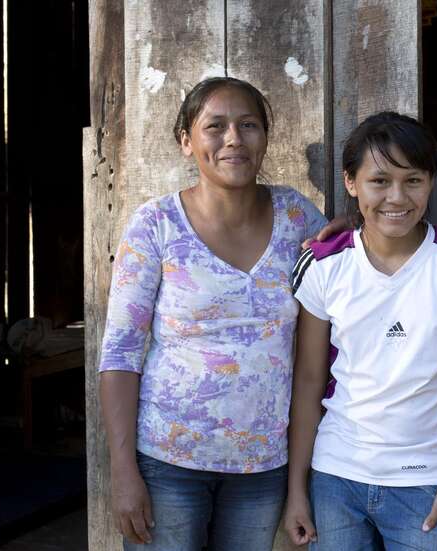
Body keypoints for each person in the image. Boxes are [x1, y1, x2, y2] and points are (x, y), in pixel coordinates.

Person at [98, 77, 328, 551]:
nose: (233, 140)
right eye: (215, 126)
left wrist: (354, 233)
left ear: (265, 137)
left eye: (248, 125)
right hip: (167, 464)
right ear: (187, 141)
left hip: (262, 466)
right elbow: (120, 354)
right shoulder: (155, 225)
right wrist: (123, 472)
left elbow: (347, 268)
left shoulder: (297, 217)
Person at [284, 112, 437, 551]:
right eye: (379, 181)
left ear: (432, 181)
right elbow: (307, 382)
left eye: (413, 180)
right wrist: (297, 490)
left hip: (428, 481)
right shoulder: (326, 265)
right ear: (351, 182)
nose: (396, 197)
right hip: (336, 477)